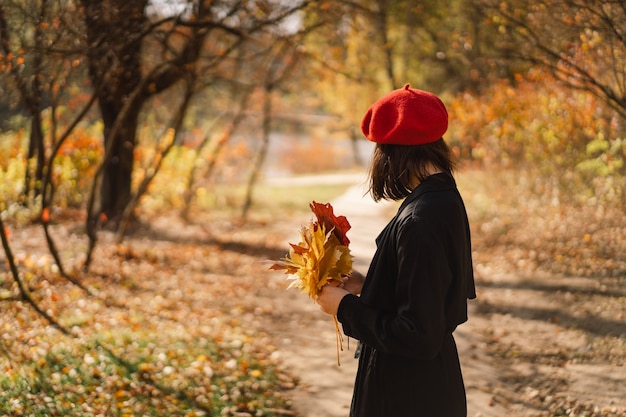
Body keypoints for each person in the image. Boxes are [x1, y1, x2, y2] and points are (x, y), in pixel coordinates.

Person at [317, 84, 476, 416]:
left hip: (407, 394)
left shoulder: (421, 219)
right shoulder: (444, 197)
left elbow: (418, 334)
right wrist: (369, 285)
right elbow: (429, 294)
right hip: (426, 385)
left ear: (394, 151)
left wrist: (344, 307)